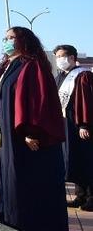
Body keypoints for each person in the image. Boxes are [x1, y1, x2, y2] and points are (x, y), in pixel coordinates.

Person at [0, 27, 67, 230]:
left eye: (11, 37)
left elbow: (37, 101)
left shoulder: (32, 65)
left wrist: (31, 131)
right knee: (13, 185)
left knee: (30, 188)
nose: (6, 41)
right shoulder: (7, 67)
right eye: (4, 37)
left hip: (26, 138)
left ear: (24, 40)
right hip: (8, 136)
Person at [54, 44, 93, 211]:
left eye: (61, 56)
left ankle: (91, 196)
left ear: (72, 57)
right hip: (66, 125)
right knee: (74, 159)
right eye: (56, 57)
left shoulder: (82, 75)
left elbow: (86, 101)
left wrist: (85, 124)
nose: (58, 60)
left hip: (79, 125)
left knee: (86, 159)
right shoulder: (60, 76)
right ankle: (80, 194)